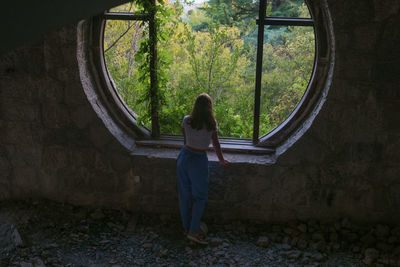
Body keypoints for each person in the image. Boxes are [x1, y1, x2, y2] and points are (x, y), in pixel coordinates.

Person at [176, 93, 229, 245]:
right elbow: (216, 144)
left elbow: (186, 141)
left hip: (184, 156)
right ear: (209, 107)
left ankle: (186, 228)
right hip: (198, 160)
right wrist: (221, 160)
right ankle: (193, 232)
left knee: (184, 195)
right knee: (200, 197)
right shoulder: (211, 124)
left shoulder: (187, 120)